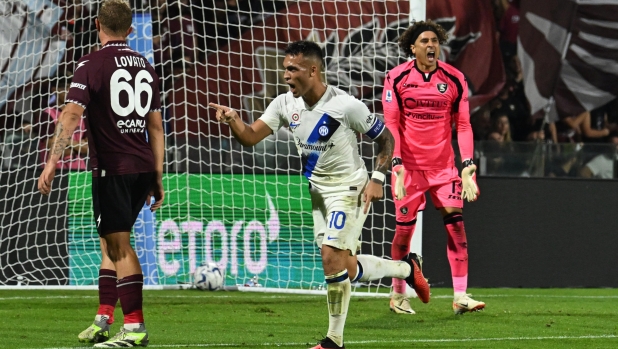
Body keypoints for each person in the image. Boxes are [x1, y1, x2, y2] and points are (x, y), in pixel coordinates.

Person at [209, 40, 430, 349]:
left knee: (330, 258)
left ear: (313, 70)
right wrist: (234, 120)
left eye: (292, 69)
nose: (286, 75)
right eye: (284, 69)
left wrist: (378, 178)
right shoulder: (284, 104)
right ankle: (407, 267)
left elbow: (386, 140)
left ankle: (333, 341)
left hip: (350, 187)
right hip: (317, 193)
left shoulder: (345, 105)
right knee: (346, 269)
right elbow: (250, 137)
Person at [37, 0, 164, 347]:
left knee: (119, 247)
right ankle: (104, 318)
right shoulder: (146, 67)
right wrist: (157, 175)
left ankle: (135, 328)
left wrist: (51, 161)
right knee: (110, 242)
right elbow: (156, 127)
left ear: (97, 24)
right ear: (131, 29)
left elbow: (71, 116)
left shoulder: (91, 64)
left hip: (113, 167)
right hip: (140, 166)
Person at [382, 20, 485, 316]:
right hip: (409, 170)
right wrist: (397, 163)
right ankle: (398, 295)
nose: (430, 45)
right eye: (424, 41)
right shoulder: (396, 78)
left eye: (434, 41)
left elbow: (463, 125)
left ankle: (461, 296)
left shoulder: (454, 79)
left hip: (443, 170)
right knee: (403, 233)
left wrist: (467, 165)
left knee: (457, 229)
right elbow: (391, 125)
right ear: (412, 48)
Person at [40, 75, 88, 170]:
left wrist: (64, 141)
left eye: (71, 87)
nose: (68, 90)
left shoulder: (82, 114)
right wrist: (78, 147)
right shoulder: (48, 114)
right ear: (55, 89)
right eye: (64, 87)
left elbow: (87, 148)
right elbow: (53, 150)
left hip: (80, 170)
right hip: (55, 171)